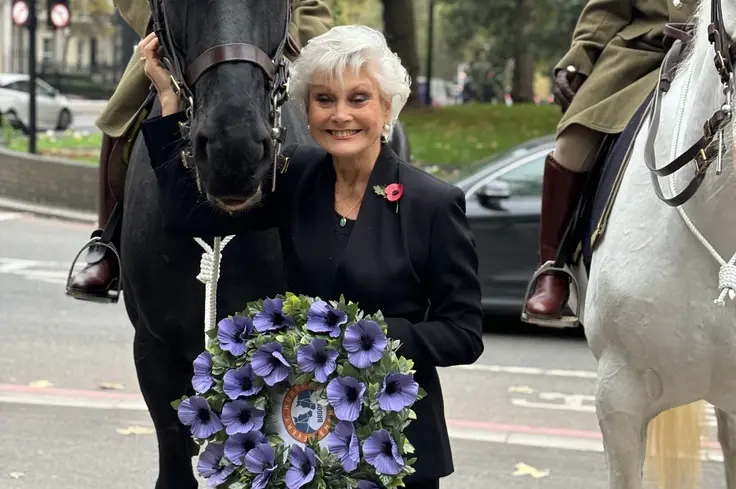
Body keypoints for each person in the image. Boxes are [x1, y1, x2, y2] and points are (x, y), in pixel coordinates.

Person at [139, 25, 485, 489]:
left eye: (358, 99)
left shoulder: (433, 203)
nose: (340, 115)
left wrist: (367, 343)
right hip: (302, 440)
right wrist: (168, 100)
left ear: (387, 109)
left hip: (394, 448)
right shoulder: (297, 176)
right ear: (307, 109)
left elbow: (463, 334)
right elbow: (190, 215)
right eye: (324, 100)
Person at [66, 0, 334, 302]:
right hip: (183, 37)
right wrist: (164, 23)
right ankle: (107, 242)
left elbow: (313, 5)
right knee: (120, 116)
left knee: (338, 111)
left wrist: (291, 36)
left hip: (273, 41)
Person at [522, 0, 696, 326]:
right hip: (641, 56)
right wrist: (580, 57)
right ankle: (553, 270)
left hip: (718, 58)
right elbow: (607, 9)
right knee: (571, 145)